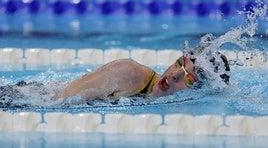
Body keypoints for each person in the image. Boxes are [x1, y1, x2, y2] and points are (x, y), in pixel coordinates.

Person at [51, 47, 230, 102]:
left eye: (189, 78)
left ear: (197, 92)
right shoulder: (127, 72)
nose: (174, 75)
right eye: (179, 64)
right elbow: (58, 100)